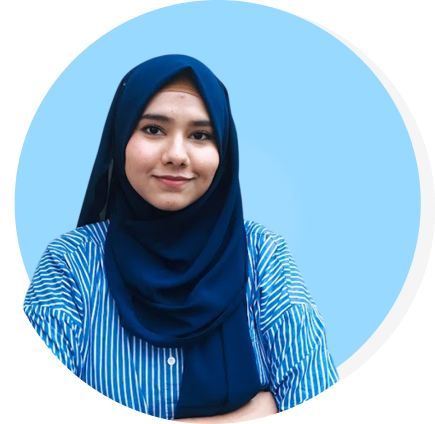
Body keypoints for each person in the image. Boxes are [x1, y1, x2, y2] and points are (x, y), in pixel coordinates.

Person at [22, 54, 339, 421]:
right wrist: (252, 413)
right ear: (120, 138)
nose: (176, 155)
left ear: (224, 152)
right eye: (153, 129)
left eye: (200, 135)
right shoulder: (71, 264)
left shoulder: (262, 255)